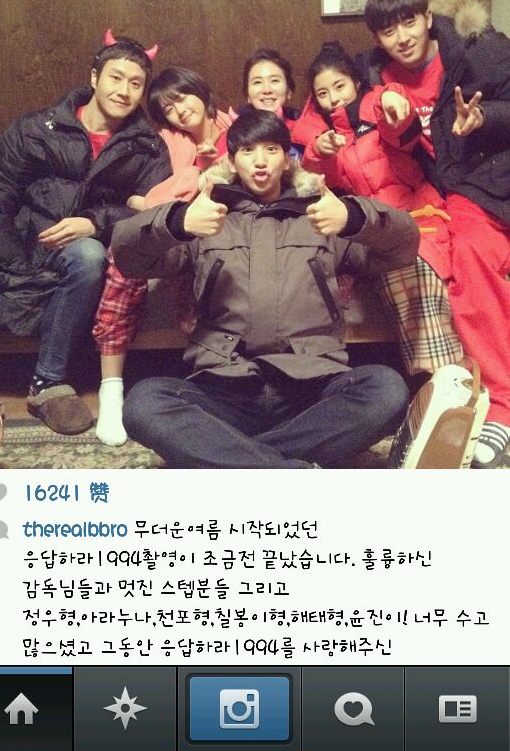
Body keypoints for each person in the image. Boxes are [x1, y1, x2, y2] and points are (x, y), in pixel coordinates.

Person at [112, 109, 419, 469]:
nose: (260, 161)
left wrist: (352, 216)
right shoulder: (206, 217)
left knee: (387, 389)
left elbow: (404, 246)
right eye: (248, 151)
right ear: (231, 161)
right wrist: (178, 221)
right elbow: (127, 256)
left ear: (287, 159)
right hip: (225, 386)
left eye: (271, 149)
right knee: (143, 403)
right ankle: (285, 468)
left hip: (311, 386)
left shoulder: (321, 215)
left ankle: (233, 459)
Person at [0, 30, 171, 436]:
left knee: (88, 255)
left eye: (136, 83)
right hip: (21, 237)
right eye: (116, 78)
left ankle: (48, 383)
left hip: (81, 250)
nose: (124, 90)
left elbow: (153, 213)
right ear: (94, 77)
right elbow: (1, 187)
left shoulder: (148, 147)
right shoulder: (37, 127)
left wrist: (95, 223)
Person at [358, 0, 510, 468]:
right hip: (455, 190)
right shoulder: (377, 76)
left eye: (409, 22)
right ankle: (494, 406)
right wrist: (393, 119)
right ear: (377, 38)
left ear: (427, 18)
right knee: (461, 257)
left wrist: (484, 117)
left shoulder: (478, 49)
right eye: (388, 30)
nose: (402, 37)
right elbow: (402, 146)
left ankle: (500, 403)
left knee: (473, 254)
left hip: (495, 172)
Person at [290, 41, 462, 377]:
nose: (333, 98)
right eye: (323, 93)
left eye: (339, 86)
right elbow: (319, 184)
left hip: (417, 214)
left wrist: (394, 104)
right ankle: (441, 380)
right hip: (371, 227)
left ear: (356, 82)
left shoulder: (377, 106)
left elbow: (402, 132)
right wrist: (319, 152)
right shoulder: (320, 134)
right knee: (397, 267)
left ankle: (441, 377)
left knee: (417, 266)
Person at [93, 66, 232, 446]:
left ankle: (216, 384)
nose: (179, 111)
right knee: (123, 259)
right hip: (173, 228)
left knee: (209, 272)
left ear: (200, 91)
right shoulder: (167, 141)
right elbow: (136, 192)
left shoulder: (240, 129)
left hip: (223, 231)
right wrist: (148, 199)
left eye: (182, 98)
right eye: (168, 109)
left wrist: (210, 169)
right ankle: (111, 389)